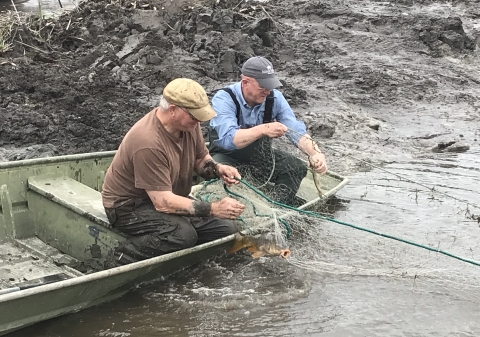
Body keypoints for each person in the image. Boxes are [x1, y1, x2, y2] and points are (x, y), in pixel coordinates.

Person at [102, 78, 246, 267]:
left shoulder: (188, 125)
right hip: (129, 207)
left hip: (166, 196)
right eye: (194, 117)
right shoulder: (148, 142)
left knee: (225, 229)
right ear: (172, 110)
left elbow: (200, 159)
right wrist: (213, 208)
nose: (199, 122)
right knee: (182, 235)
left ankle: (182, 263)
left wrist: (218, 169)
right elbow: (162, 203)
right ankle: (118, 260)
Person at [208, 56, 328, 206]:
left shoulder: (275, 98)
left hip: (260, 158)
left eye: (270, 86)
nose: (267, 91)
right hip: (225, 156)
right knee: (218, 173)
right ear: (245, 82)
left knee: (296, 167)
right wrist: (264, 129)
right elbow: (230, 139)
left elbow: (296, 131)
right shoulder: (224, 99)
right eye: (262, 87)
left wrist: (315, 153)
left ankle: (274, 207)